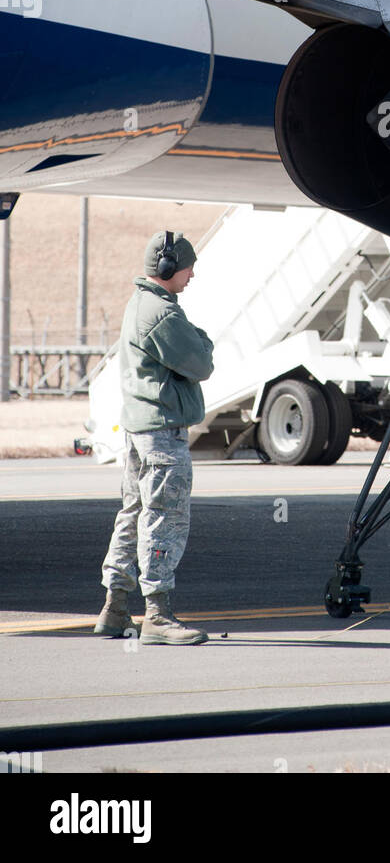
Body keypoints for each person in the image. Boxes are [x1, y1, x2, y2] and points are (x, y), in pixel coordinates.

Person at [94, 230, 214, 645]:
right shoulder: (162, 314)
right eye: (187, 266)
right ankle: (158, 615)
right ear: (166, 268)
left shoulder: (142, 305)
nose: (192, 274)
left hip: (140, 429)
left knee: (133, 514)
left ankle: (115, 607)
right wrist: (203, 342)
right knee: (164, 517)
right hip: (162, 433)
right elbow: (200, 363)